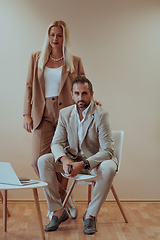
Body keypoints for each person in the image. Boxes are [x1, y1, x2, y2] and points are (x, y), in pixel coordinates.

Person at [38, 76, 118, 235]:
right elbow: (56, 143)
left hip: (95, 163)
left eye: (84, 93)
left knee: (109, 167)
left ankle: (90, 215)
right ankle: (57, 212)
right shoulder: (65, 113)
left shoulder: (101, 115)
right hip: (72, 160)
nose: (80, 98)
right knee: (43, 161)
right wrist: (65, 159)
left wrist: (84, 164)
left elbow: (108, 150)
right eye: (77, 93)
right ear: (72, 94)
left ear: (91, 94)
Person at [23, 20, 85, 219]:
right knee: (36, 160)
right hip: (42, 113)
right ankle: (64, 198)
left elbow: (82, 86)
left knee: (63, 161)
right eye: (52, 35)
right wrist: (26, 113)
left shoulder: (74, 61)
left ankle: (56, 209)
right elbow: (29, 86)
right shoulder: (36, 58)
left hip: (68, 113)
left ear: (64, 37)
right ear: (47, 37)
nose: (55, 39)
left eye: (59, 35)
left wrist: (87, 105)